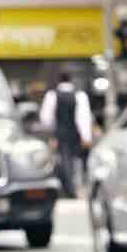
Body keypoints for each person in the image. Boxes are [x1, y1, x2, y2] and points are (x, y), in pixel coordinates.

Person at [39, 70, 95, 198]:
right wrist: (86, 137)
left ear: (59, 81)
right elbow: (83, 118)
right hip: (75, 133)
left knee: (63, 161)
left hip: (60, 134)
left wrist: (52, 134)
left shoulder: (52, 95)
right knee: (76, 162)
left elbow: (46, 118)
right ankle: (73, 188)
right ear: (71, 81)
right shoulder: (80, 95)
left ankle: (67, 189)